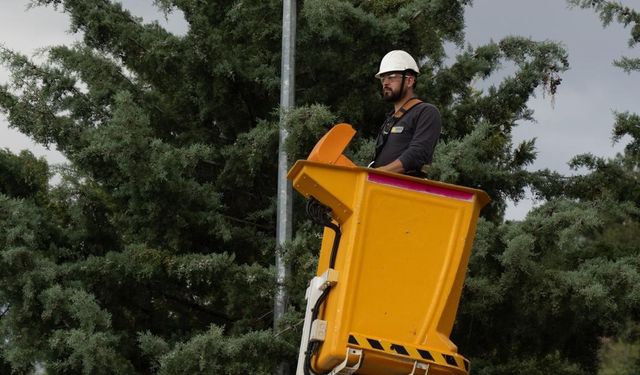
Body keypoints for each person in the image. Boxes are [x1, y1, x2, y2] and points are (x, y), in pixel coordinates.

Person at [370, 50, 442, 177]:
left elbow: (417, 155)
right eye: (383, 78)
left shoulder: (426, 112)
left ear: (409, 81)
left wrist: (379, 173)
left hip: (404, 189)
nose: (385, 83)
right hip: (381, 188)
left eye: (391, 77)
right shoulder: (390, 119)